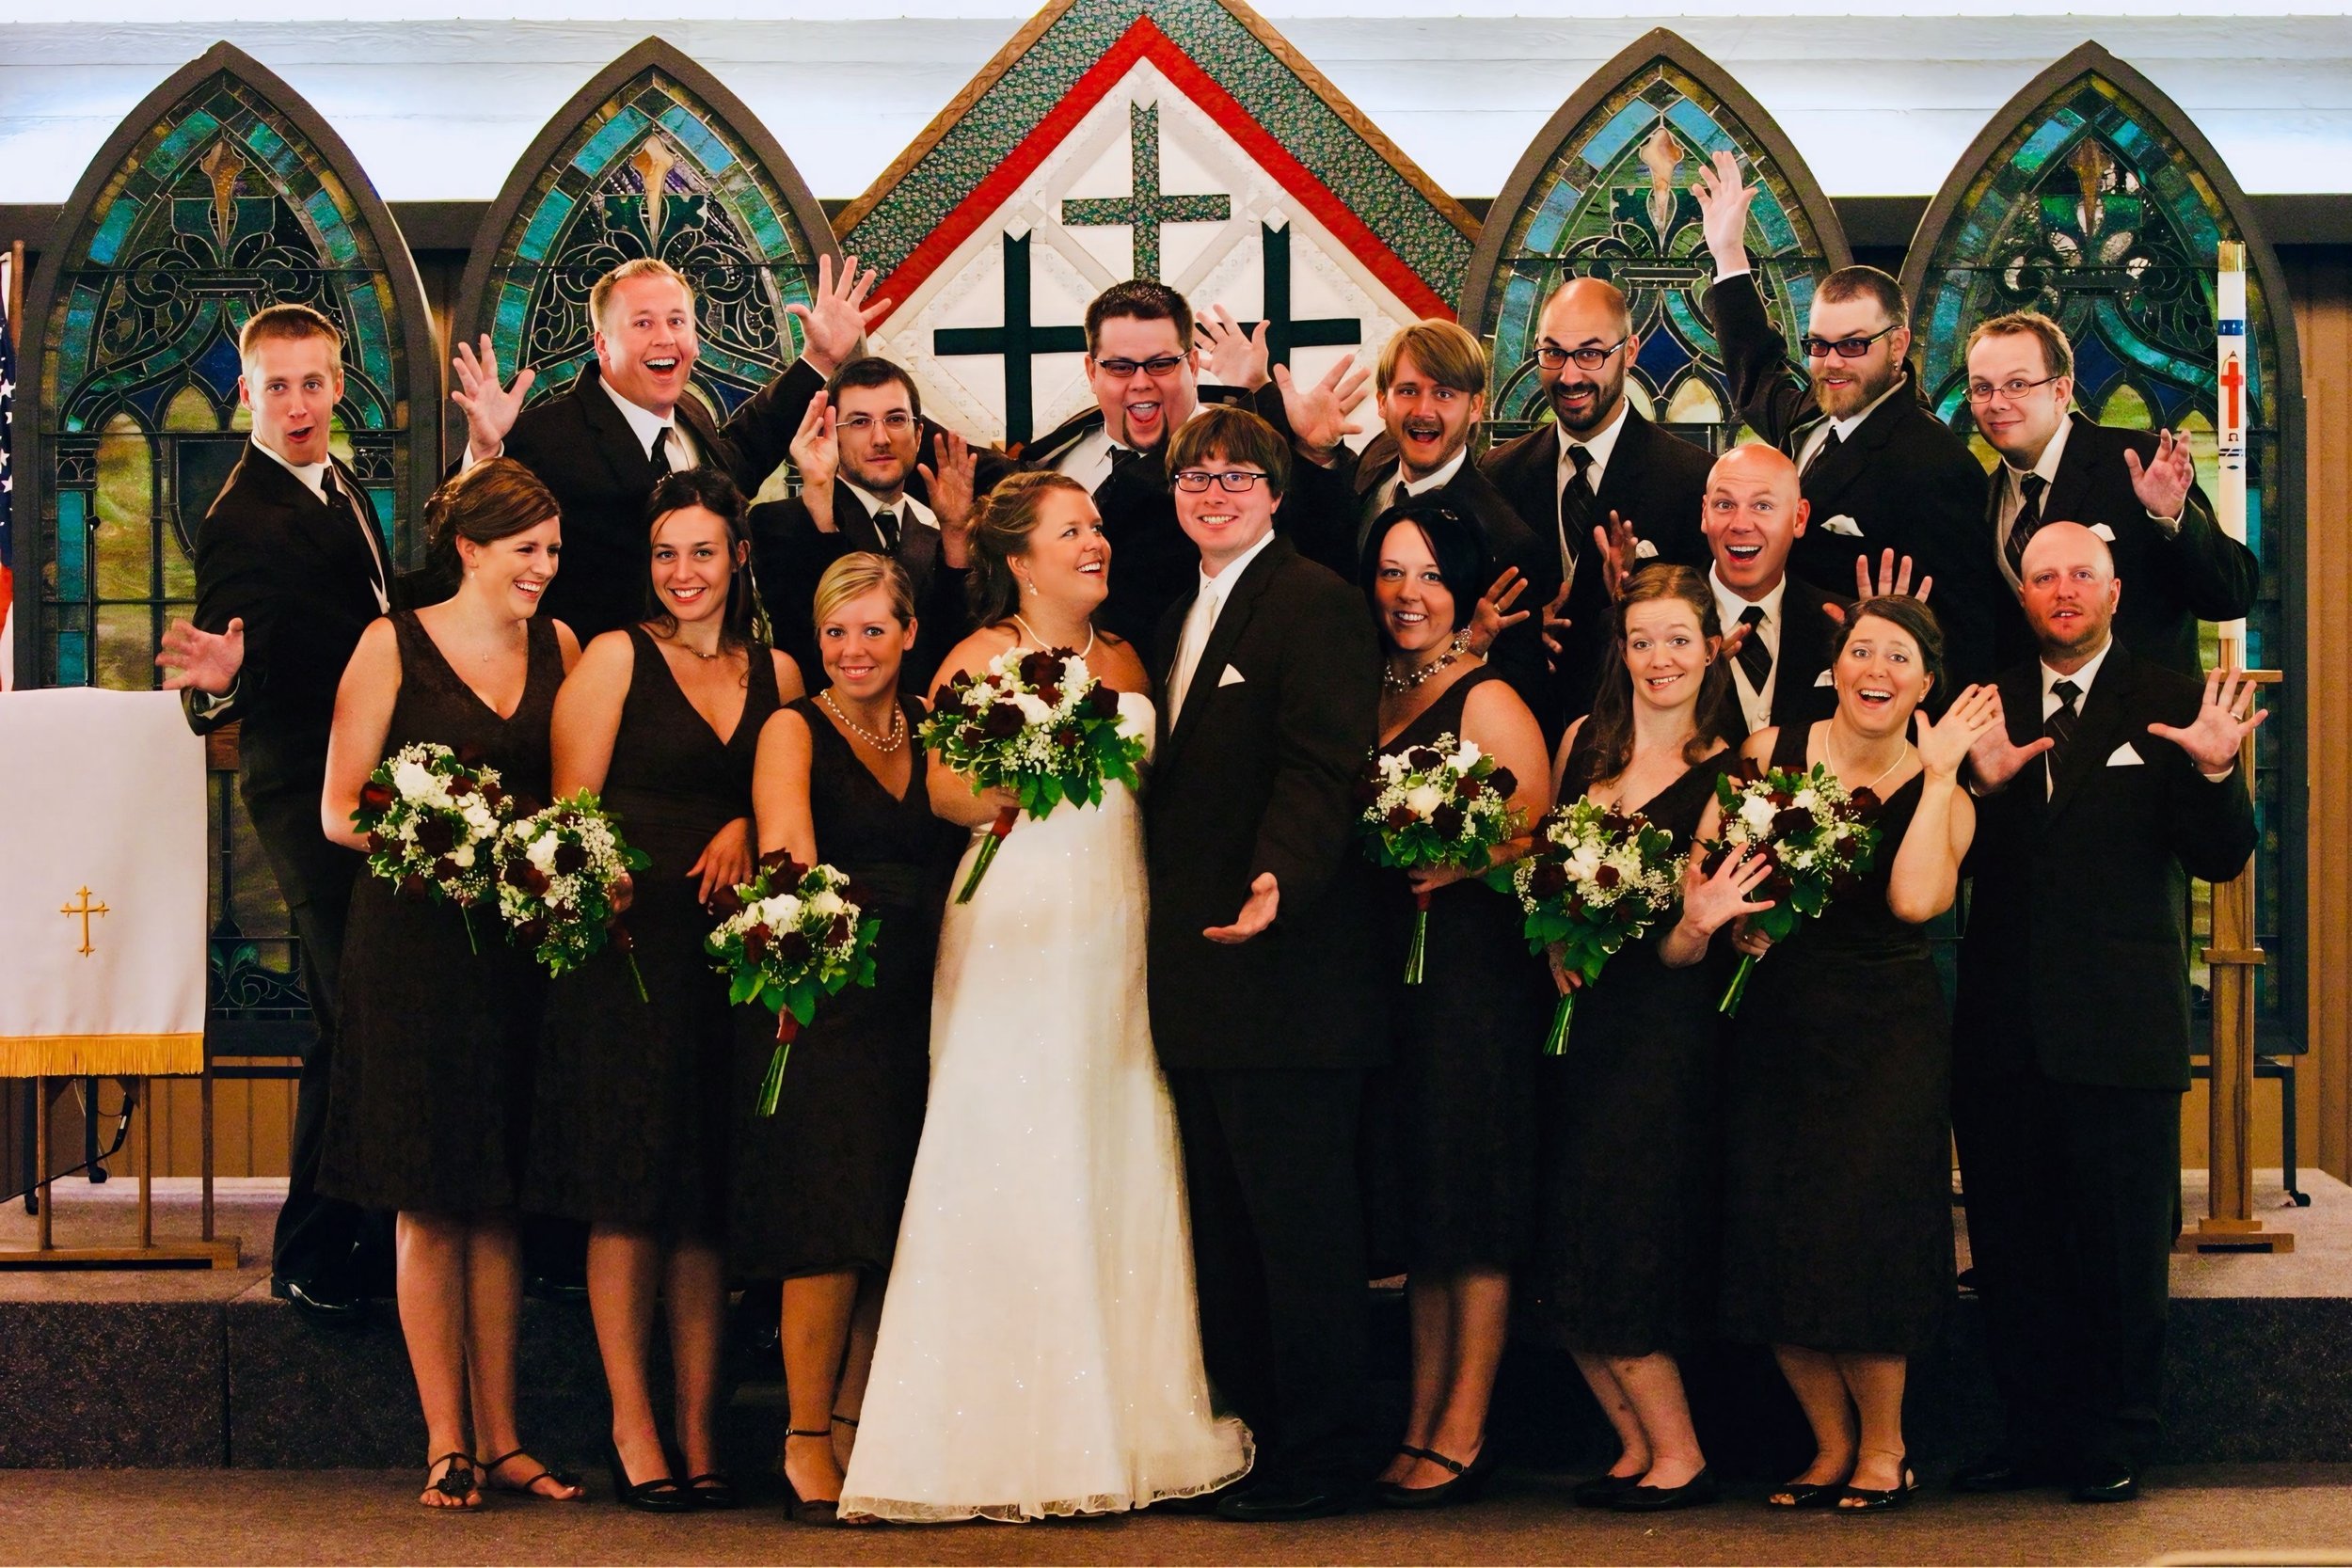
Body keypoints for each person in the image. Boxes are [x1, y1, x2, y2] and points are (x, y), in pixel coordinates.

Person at [836, 471, 1252, 1522]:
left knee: (1114, 1143)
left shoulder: (1130, 658)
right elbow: (943, 791)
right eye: (1073, 531)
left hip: (1117, 927)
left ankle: (1123, 1419)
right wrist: (1024, 765)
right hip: (1016, 925)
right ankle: (992, 1435)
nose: (1096, 542)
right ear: (1018, 560)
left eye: (1098, 527)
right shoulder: (975, 658)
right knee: (1012, 1148)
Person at [1951, 521, 2261, 1504]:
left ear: (2115, 591)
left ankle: (2118, 1433)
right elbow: (1944, 862)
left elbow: (2220, 858)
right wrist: (1972, 785)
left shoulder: (2171, 701)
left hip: (2122, 1027)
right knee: (2013, 1250)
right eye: (2042, 576)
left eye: (2080, 574)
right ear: (2023, 596)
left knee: (2121, 1253)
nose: (2062, 590)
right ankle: (2030, 1433)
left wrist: (2215, 773)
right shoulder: (1981, 705)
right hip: (2002, 1029)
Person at [522, 469, 800, 1512]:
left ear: (738, 556)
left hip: (733, 958)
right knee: (631, 1192)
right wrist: (610, 879)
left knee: (705, 1206)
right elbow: (570, 817)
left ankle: (700, 1427)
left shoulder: (778, 668)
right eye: (666, 553)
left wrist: (743, 822)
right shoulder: (613, 657)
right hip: (630, 954)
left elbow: (793, 783)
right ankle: (633, 1427)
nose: (684, 572)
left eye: (703, 551)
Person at [314, 459, 581, 1509]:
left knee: (499, 1200)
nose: (543, 568)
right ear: (469, 548)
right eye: (525, 550)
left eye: (552, 551)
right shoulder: (391, 644)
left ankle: (505, 1435)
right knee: (430, 1198)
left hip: (516, 950)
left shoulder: (561, 646)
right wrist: (447, 840)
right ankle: (445, 1440)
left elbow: (571, 794)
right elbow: (341, 808)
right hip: (415, 948)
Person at [1147, 406, 1386, 1521]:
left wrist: (1278, 877)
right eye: (1195, 477)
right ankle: (1255, 1439)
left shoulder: (1316, 602)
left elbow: (1321, 764)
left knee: (1300, 1233)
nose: (1214, 493)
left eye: (1237, 476)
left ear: (1277, 493)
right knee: (1229, 1230)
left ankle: (1325, 1454)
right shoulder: (1176, 611)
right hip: (1202, 979)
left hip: (1289, 975)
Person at [1708, 594, 1994, 1512]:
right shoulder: (1768, 753)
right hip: (1778, 1024)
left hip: (1886, 1035)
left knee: (1865, 1234)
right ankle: (1828, 1445)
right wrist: (1734, 920)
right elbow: (1709, 868)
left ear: (1925, 682)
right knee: (1778, 1231)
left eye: (1899, 656)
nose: (1877, 668)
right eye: (1861, 650)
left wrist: (1940, 775)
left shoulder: (1947, 793)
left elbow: (1915, 902)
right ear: (1834, 666)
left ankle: (1885, 1447)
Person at [158, 302, 401, 1324]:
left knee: (360, 1012)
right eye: (276, 387)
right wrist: (224, 682)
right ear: (244, 394)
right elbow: (220, 677)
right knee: (352, 1012)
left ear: (337, 387)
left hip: (363, 777)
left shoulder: (337, 481)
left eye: (312, 383)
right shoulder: (241, 517)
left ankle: (364, 1234)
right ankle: (311, 1248)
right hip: (305, 789)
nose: (297, 405)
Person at [777, 261, 1362, 649]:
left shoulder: (1245, 462)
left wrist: (1316, 454)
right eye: (1119, 366)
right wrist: (828, 369)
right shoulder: (1057, 455)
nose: (1141, 383)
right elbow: (907, 438)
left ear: (1191, 364)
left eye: (1161, 364)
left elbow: (1324, 561)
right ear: (1091, 370)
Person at [731, 552, 960, 1524]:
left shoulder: (933, 727)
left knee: (892, 1221)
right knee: (826, 1220)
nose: (852, 649)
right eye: (835, 631)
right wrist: (813, 967)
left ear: (910, 634)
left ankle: (859, 1420)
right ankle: (803, 1435)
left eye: (872, 629)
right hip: (829, 996)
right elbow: (790, 858)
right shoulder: (794, 727)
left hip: (928, 997)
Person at [1358, 503, 1552, 1509]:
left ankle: (1465, 1427)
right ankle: (1420, 1417)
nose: (1409, 594)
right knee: (1427, 1216)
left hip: (1474, 983)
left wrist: (1466, 858)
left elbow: (1540, 839)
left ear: (1464, 587)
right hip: (1395, 982)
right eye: (1393, 572)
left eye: (1431, 574)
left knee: (1471, 1210)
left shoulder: (1488, 697)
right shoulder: (1374, 687)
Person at [1540, 564, 1745, 1513]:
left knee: (1623, 1234)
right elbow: (1546, 871)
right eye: (1640, 640)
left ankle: (1680, 1452)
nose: (1658, 657)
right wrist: (1553, 939)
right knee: (1565, 1233)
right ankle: (1632, 1443)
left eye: (1676, 639)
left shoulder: (1728, 773)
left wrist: (1695, 925)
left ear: (1710, 649)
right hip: (1572, 1025)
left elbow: (1681, 947)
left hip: (1659, 1038)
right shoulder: (1584, 742)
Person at [1693, 151, 1999, 690]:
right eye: (1819, 344)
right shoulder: (1813, 413)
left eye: (1853, 345)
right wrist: (1729, 256)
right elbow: (1757, 373)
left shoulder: (1936, 466)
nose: (1831, 363)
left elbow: (1971, 626)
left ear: (1898, 345)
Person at [448, 257, 803, 641]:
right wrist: (485, 453)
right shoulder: (543, 435)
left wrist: (817, 361)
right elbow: (457, 539)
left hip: (715, 657)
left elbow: (744, 455)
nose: (665, 337)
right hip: (593, 665)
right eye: (643, 323)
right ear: (602, 344)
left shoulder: (692, 415)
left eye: (677, 321)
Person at [1287, 319, 1556, 730]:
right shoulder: (1374, 460)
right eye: (1408, 391)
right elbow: (1324, 562)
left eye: (1444, 393)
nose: (1423, 410)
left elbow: (1524, 704)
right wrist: (1316, 453)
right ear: (1383, 402)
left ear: (1475, 407)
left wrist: (1467, 650)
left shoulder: (1509, 542)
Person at [1963, 311, 2257, 676]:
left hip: (2148, 705)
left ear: (2060, 391)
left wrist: (2172, 517)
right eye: (1982, 388)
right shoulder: (1982, 496)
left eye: (2017, 384)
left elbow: (2230, 597)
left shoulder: (2139, 463)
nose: (1996, 403)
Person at [1481, 277, 1713, 727]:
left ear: (1630, 352)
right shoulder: (1498, 472)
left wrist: (1627, 601)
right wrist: (1518, 633)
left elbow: (1706, 627)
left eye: (1590, 354)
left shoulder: (1691, 478)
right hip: (1519, 725)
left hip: (1636, 726)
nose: (1569, 376)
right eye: (1553, 353)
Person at [751, 356, 980, 694]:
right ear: (831, 435)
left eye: (896, 419)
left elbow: (956, 652)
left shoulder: (940, 542)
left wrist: (956, 532)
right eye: (859, 422)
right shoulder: (780, 524)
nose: (880, 438)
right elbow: (807, 636)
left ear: (918, 435)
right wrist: (819, 494)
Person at [1700, 445, 1843, 736]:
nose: (1740, 524)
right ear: (1705, 513)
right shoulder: (1646, 622)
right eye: (1724, 505)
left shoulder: (1841, 624)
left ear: (1799, 518)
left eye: (1762, 506)